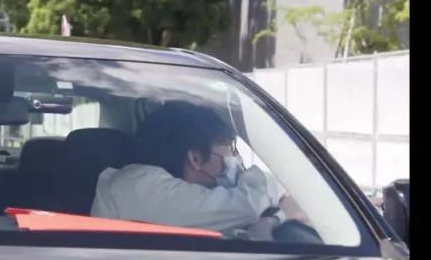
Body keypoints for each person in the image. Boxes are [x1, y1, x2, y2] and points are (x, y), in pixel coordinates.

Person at [91, 100, 304, 233]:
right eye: (229, 148)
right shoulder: (141, 186)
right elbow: (247, 205)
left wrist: (273, 218)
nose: (236, 159)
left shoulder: (164, 190)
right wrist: (276, 202)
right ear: (195, 158)